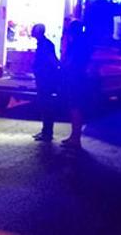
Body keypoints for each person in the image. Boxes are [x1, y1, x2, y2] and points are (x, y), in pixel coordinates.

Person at [60, 20, 93, 149]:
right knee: (75, 108)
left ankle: (75, 138)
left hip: (75, 78)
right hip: (80, 78)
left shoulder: (77, 44)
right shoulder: (84, 42)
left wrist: (62, 68)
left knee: (75, 108)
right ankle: (74, 137)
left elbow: (70, 61)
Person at [31, 23, 61, 142]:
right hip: (44, 78)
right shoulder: (45, 44)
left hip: (45, 79)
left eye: (34, 30)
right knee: (44, 105)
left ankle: (47, 133)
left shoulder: (45, 45)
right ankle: (45, 131)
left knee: (46, 105)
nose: (32, 32)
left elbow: (51, 61)